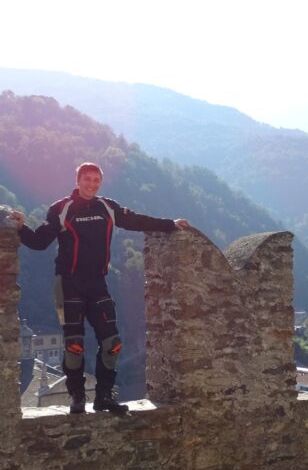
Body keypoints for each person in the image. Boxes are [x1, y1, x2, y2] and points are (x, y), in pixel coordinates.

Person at [10, 162, 192, 415]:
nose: (92, 185)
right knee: (74, 345)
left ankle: (104, 396)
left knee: (113, 343)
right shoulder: (61, 209)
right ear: (78, 180)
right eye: (87, 179)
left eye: (96, 181)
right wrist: (21, 227)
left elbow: (136, 220)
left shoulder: (107, 207)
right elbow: (40, 241)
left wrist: (169, 224)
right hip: (68, 284)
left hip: (98, 283)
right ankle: (77, 397)